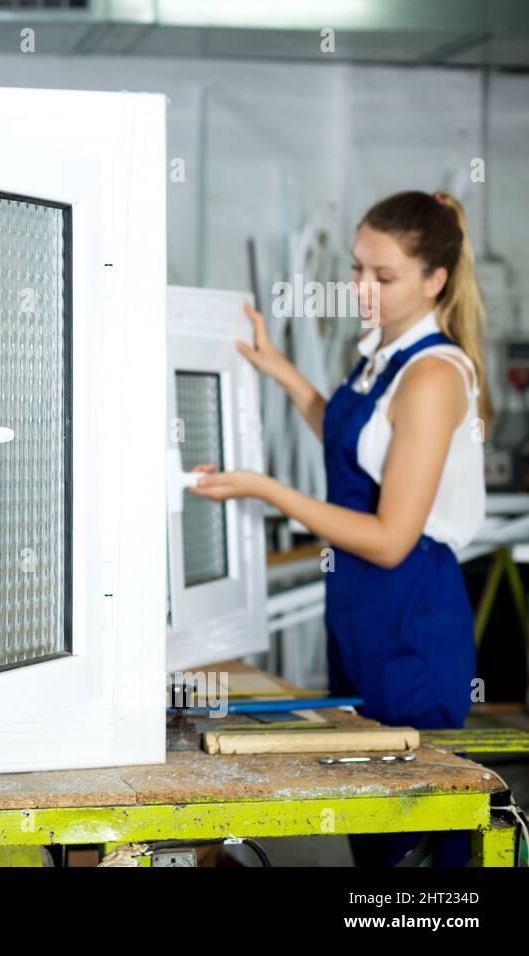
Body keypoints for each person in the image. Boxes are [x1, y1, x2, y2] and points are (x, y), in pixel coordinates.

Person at [190, 190, 489, 867]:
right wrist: (285, 375)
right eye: (357, 269)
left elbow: (389, 539)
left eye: (382, 278)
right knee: (369, 812)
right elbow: (353, 442)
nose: (361, 289)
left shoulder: (433, 374)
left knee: (415, 837)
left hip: (410, 617)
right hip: (359, 612)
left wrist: (268, 491)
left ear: (435, 280)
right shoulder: (382, 355)